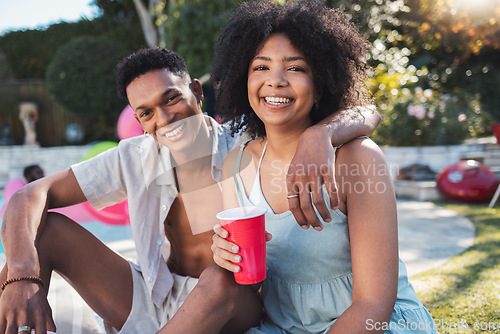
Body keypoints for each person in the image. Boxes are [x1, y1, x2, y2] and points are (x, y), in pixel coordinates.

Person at [0, 46, 379, 333]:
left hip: (233, 305)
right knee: (44, 231)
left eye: (172, 98)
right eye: (146, 112)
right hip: (157, 299)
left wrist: (321, 134)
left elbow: (368, 112)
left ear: (196, 91)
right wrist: (21, 275)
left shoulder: (246, 138)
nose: (163, 118)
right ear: (139, 120)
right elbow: (29, 195)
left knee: (219, 276)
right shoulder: (135, 155)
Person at [212, 1, 438, 333]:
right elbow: (253, 291)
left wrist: (320, 134)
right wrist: (227, 259)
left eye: (295, 68)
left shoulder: (358, 159)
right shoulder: (236, 165)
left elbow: (373, 304)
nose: (275, 80)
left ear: (321, 84)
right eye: (260, 67)